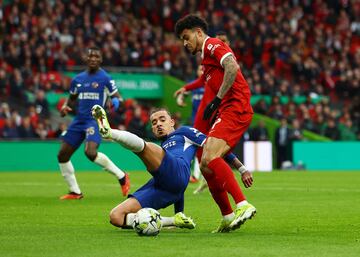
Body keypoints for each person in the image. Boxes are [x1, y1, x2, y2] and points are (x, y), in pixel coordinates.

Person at [175, 15, 256, 231]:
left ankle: (242, 204)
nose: (185, 43)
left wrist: (218, 99)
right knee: (205, 165)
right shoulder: (206, 60)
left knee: (209, 158)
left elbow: (232, 67)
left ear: (198, 32)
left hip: (235, 106)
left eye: (186, 37)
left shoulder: (212, 44)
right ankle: (228, 216)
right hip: (228, 108)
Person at [91, 105, 199, 230]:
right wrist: (178, 213)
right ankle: (171, 221)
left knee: (146, 148)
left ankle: (110, 132)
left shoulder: (184, 133)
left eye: (162, 120)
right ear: (152, 129)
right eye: (154, 122)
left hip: (178, 170)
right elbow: (178, 187)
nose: (158, 124)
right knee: (116, 216)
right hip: (163, 184)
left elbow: (210, 144)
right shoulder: (163, 146)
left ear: (172, 122)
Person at [57, 47, 130, 200]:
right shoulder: (78, 79)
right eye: (91, 56)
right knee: (62, 155)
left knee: (90, 152)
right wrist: (65, 107)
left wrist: (115, 102)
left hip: (95, 120)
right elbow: (71, 99)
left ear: (101, 60)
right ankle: (75, 192)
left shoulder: (105, 78)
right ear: (86, 58)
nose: (93, 59)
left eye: (97, 56)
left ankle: (122, 176)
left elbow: (118, 97)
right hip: (79, 120)